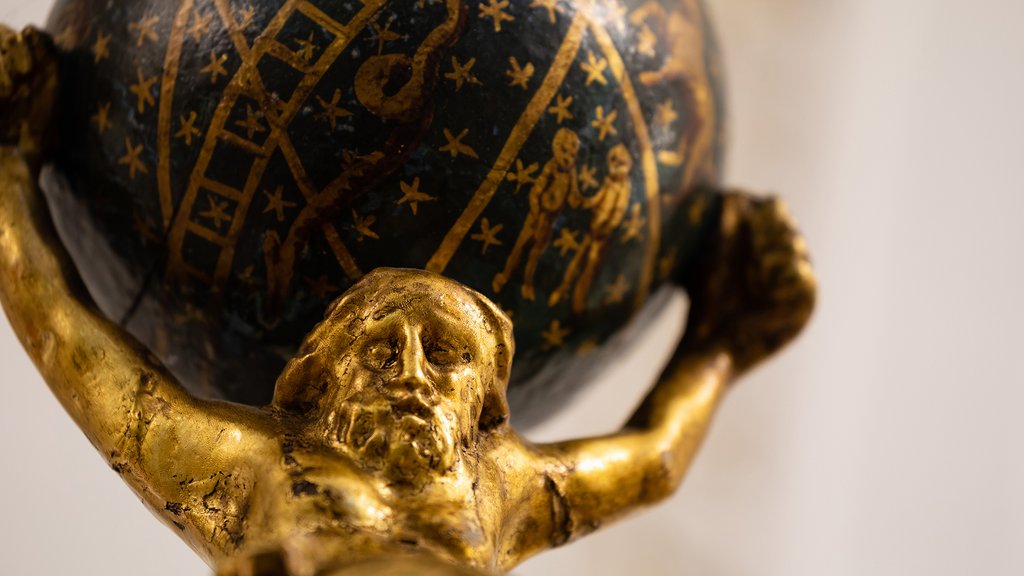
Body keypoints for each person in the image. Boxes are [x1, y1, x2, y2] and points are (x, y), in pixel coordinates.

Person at [0, 26, 815, 576]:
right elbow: (73, 347)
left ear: (487, 401)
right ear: (318, 380)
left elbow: (653, 461)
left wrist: (725, 340)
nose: (414, 375)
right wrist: (7, 169)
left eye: (449, 354)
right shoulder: (249, 469)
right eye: (381, 350)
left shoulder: (498, 485)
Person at [493, 128, 581, 301]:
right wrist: (535, 213)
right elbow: (535, 192)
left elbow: (572, 197)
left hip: (550, 221)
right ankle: (504, 276)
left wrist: (580, 201)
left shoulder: (571, 174)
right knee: (520, 248)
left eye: (572, 154)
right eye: (564, 151)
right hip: (537, 216)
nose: (567, 158)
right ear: (557, 148)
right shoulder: (551, 167)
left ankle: (527, 284)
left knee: (535, 254)